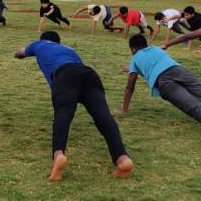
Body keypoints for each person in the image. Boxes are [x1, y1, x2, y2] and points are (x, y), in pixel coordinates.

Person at [14, 31, 133, 181]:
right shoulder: (69, 49)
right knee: (103, 116)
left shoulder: (39, 44)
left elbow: (20, 53)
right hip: (89, 74)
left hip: (65, 76)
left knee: (63, 114)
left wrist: (17, 54)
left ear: (43, 39)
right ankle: (122, 159)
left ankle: (58, 154)